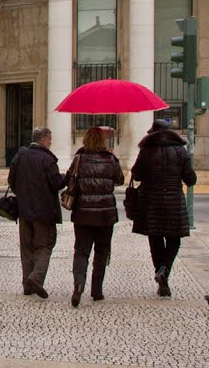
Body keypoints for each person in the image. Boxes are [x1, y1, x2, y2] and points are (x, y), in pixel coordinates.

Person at [130, 118, 197, 297]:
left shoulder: (146, 151)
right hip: (174, 201)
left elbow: (137, 175)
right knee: (174, 240)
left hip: (151, 202)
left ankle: (161, 275)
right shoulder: (181, 151)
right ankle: (164, 271)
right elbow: (190, 179)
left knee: (156, 240)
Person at [66, 126, 124, 307]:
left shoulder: (79, 159)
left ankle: (78, 285)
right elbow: (120, 179)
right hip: (105, 214)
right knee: (101, 251)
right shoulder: (110, 159)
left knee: (81, 251)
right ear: (102, 141)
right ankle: (97, 290)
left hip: (83, 213)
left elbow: (69, 179)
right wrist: (113, 160)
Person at [7, 125, 67, 299]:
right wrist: (66, 177)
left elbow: (11, 179)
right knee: (45, 245)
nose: (51, 142)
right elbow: (56, 183)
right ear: (43, 140)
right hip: (44, 212)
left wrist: (24, 195)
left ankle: (27, 284)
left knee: (26, 248)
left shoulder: (21, 155)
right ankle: (35, 278)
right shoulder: (47, 160)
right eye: (49, 139)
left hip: (24, 211)